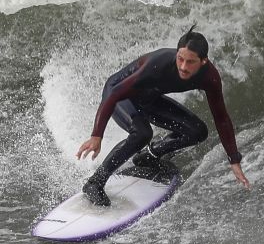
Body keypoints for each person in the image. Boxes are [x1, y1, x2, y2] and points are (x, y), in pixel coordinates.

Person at [76, 26, 251, 206]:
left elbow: (221, 117)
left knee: (197, 131)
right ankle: (95, 182)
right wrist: (97, 135)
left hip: (149, 98)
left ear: (204, 61)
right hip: (119, 94)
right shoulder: (159, 64)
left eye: (190, 62)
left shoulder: (210, 78)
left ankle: (148, 156)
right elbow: (114, 94)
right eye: (180, 59)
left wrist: (234, 159)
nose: (183, 66)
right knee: (142, 133)